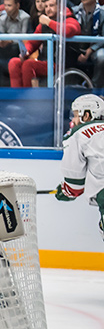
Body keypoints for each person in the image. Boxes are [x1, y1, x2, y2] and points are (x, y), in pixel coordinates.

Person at [56, 94, 104, 241]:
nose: (73, 120)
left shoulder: (78, 134)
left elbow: (74, 184)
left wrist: (65, 191)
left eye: (76, 115)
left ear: (87, 115)